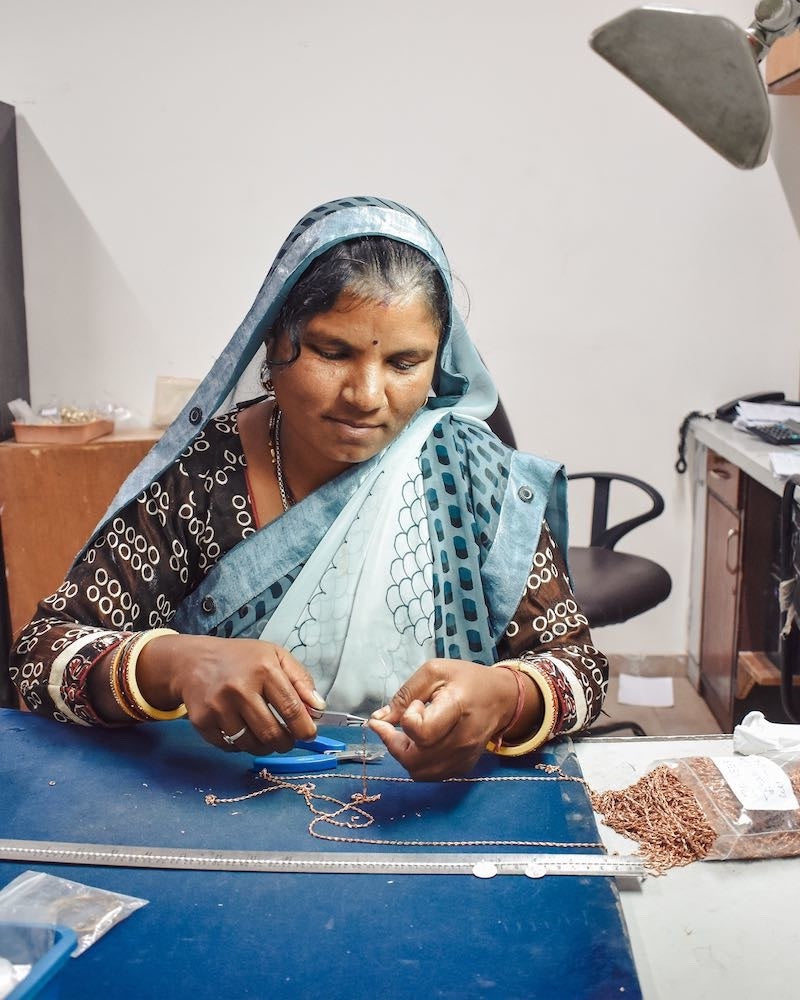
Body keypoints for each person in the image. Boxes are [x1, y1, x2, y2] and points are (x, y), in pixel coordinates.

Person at [9, 196, 608, 780]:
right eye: (332, 351)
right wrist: (174, 664)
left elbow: (580, 671)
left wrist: (505, 696)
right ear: (274, 343)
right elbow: (39, 662)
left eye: (404, 363)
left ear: (438, 363)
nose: (366, 395)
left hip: (428, 817)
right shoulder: (205, 475)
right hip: (225, 811)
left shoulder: (477, 478)